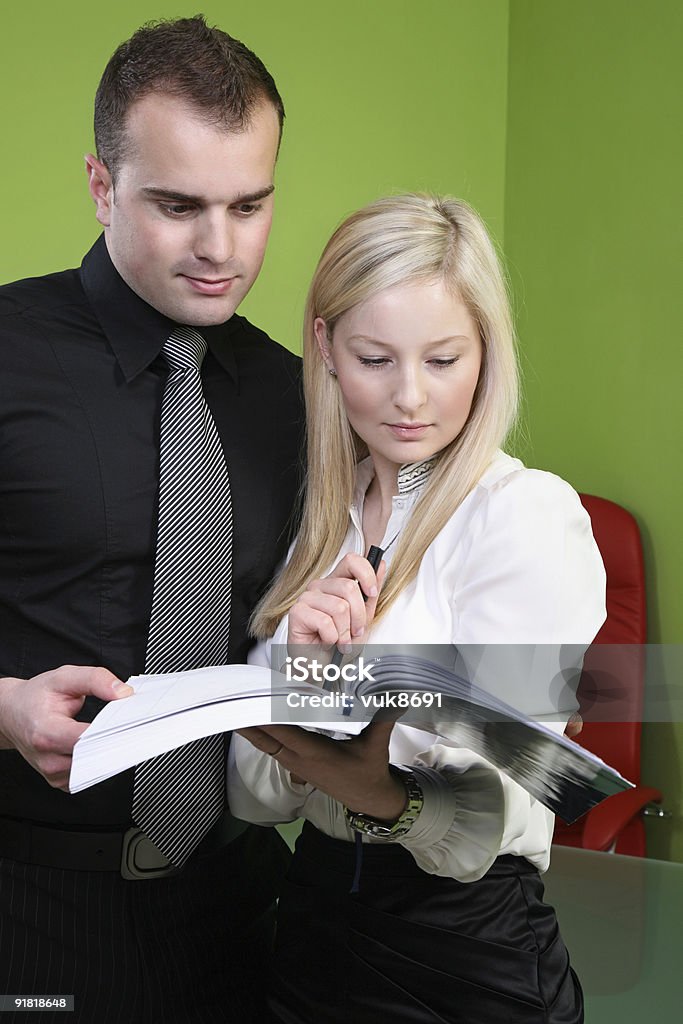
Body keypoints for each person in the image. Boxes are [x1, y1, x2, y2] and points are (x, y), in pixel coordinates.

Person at [229, 193, 606, 1024]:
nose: (409, 398)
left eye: (443, 360)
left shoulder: (526, 515)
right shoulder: (315, 526)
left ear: (486, 353)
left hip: (465, 954)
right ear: (325, 348)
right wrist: (300, 667)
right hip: (312, 931)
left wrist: (348, 748)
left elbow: (485, 815)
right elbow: (255, 797)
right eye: (374, 358)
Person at [0, 16, 302, 1024]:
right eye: (176, 205)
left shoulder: (299, 396)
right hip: (28, 907)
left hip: (239, 908)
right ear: (101, 184)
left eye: (248, 204)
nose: (219, 247)